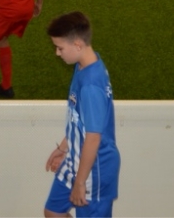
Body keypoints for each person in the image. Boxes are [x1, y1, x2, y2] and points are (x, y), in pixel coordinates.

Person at [44, 11, 120, 218]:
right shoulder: (83, 65)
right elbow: (78, 120)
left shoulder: (90, 86)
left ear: (77, 45)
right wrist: (63, 147)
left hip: (94, 170)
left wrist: (80, 183)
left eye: (60, 48)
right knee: (53, 212)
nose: (57, 53)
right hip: (75, 160)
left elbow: (93, 137)